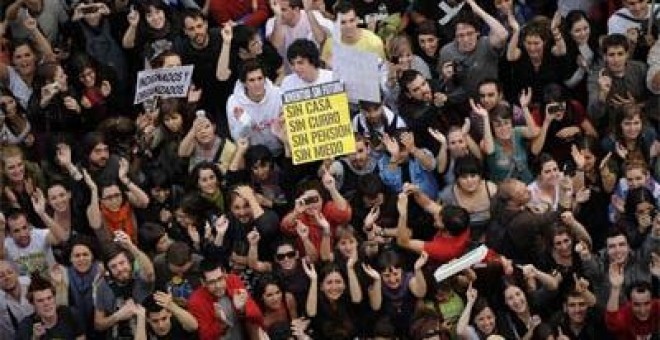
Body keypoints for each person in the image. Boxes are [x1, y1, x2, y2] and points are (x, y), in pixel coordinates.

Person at [438, 0, 509, 105]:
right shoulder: (446, 52)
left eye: (470, 33)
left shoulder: (486, 43)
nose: (466, 39)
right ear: (455, 37)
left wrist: (478, 10)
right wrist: (446, 76)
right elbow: (444, 83)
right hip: (463, 103)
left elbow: (503, 34)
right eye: (461, 35)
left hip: (492, 100)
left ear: (477, 33)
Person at [93, 232, 155, 340]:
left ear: (130, 262)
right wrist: (117, 316)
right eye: (114, 266)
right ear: (108, 270)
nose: (120, 269)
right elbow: (98, 324)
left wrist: (131, 247)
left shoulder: (140, 277)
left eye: (122, 263)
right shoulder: (103, 286)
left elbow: (149, 273)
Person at [188, 259, 263, 340]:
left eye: (220, 278)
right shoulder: (196, 301)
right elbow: (205, 337)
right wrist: (220, 324)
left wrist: (243, 309)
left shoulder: (234, 280)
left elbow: (258, 317)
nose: (218, 286)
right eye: (212, 282)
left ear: (225, 274)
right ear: (203, 282)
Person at [226, 60, 284, 156]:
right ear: (244, 83)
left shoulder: (278, 94)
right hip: (252, 155)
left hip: (280, 149)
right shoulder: (234, 101)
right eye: (251, 80)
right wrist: (245, 123)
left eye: (260, 78)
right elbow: (236, 138)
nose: (257, 84)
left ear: (265, 79)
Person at [16, 273, 84, 340]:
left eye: (49, 298)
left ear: (54, 298)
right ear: (32, 304)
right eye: (40, 300)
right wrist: (35, 338)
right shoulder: (26, 326)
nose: (46, 303)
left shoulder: (70, 314)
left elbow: (80, 336)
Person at [321, 2, 385, 67]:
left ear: (357, 20)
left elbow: (382, 72)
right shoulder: (330, 43)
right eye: (343, 22)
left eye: (351, 20)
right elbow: (325, 72)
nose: (348, 26)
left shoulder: (374, 42)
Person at [266, 0, 331, 58]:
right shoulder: (273, 21)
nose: (279, 13)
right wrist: (278, 18)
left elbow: (322, 39)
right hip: (289, 70)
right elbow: (275, 45)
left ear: (296, 9)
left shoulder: (313, 15)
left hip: (314, 66)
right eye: (277, 10)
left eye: (283, 10)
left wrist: (309, 12)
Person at [605, 269, 660, 338]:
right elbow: (612, 321)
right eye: (637, 305)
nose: (642, 311)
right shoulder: (625, 313)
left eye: (647, 303)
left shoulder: (657, 306)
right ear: (629, 303)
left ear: (652, 300)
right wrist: (615, 288)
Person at [134, 291, 198, 340]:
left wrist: (172, 306)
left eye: (164, 318)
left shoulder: (179, 319)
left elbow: (193, 326)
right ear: (147, 319)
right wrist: (141, 317)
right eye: (155, 321)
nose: (161, 325)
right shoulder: (143, 328)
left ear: (170, 313)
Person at [0, 259, 34, 339]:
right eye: (1, 276)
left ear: (17, 273)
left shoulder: (31, 284)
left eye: (10, 272)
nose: (7, 277)